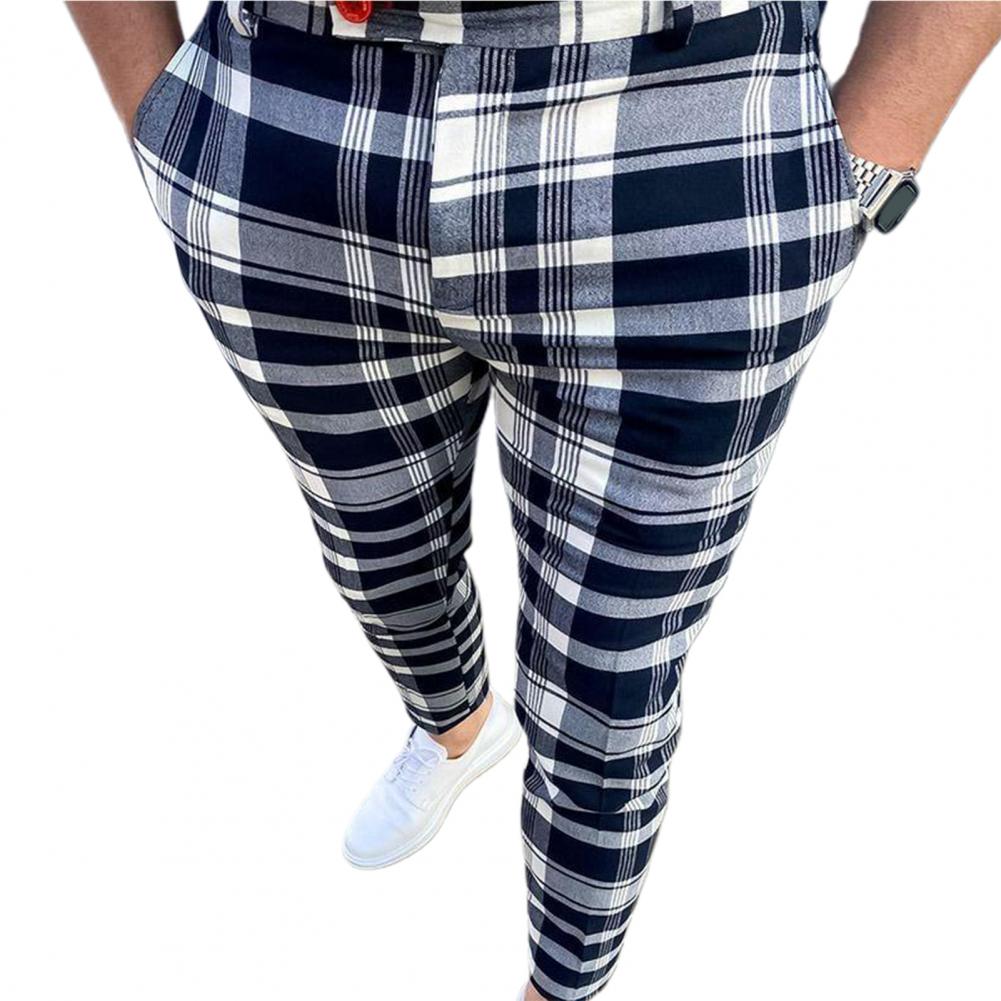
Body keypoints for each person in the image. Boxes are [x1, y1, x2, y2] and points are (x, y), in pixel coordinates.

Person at [66, 2, 1001, 999]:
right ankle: (456, 727)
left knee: (610, 676)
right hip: (292, 117)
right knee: (375, 547)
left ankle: (560, 983)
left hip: (683, 126)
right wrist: (159, 115)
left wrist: (868, 160)